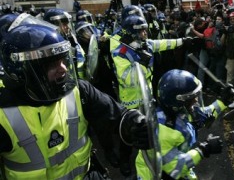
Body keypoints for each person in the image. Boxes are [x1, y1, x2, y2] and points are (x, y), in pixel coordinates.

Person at [0, 24, 150, 179]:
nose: (63, 68)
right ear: (21, 71)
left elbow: (117, 115)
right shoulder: (3, 115)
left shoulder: (79, 90)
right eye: (52, 64)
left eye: (62, 60)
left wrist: (135, 123)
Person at [111, 14, 194, 175]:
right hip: (130, 103)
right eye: (141, 31)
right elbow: (127, 79)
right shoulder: (120, 52)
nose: (145, 34)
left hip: (147, 98)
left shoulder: (145, 45)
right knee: (128, 136)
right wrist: (140, 63)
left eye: (145, 30)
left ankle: (153, 159)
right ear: (130, 33)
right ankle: (124, 161)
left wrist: (183, 41)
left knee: (149, 131)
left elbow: (162, 44)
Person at [135, 69, 234, 179]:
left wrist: (223, 102)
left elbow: (202, 115)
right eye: (192, 97)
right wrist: (203, 149)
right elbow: (176, 167)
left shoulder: (177, 111)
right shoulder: (163, 132)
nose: (196, 100)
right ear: (179, 101)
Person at [44, 8, 87, 80]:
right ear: (51, 25)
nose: (67, 27)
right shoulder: (48, 48)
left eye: (67, 24)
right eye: (64, 24)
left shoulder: (70, 40)